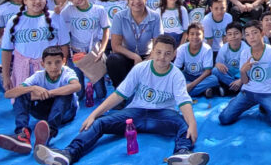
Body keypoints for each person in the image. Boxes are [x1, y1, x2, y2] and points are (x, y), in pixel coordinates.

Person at [34, 35, 210, 165]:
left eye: (167, 54)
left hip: (162, 115)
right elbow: (119, 95)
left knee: (184, 125)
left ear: (173, 55)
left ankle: (182, 154)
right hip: (135, 113)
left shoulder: (176, 75)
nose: (162, 57)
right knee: (99, 123)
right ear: (152, 51)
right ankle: (68, 153)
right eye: (158, 52)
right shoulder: (140, 69)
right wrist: (94, 114)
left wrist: (193, 124)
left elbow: (184, 102)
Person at [0, 46, 80, 154]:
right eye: (49, 63)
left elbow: (77, 86)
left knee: (65, 93)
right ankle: (22, 134)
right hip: (45, 112)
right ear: (43, 64)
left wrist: (49, 93)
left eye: (57, 62)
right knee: (21, 93)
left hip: (66, 113)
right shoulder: (38, 76)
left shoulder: (67, 72)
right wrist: (32, 88)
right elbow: (8, 94)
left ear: (63, 61)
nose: (54, 67)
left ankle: (49, 131)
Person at [218, 20, 271, 128]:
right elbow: (245, 81)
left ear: (262, 33)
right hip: (247, 92)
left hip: (267, 93)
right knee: (224, 118)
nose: (251, 37)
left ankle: (265, 106)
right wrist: (243, 71)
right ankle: (237, 102)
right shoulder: (245, 53)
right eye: (247, 34)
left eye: (254, 33)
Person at [1, 0, 70, 92]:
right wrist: (6, 77)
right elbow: (7, 50)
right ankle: (0, 73)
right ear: (25, 0)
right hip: (23, 68)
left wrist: (61, 67)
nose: (37, 1)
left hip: (50, 68)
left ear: (46, 0)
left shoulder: (55, 17)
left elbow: (64, 45)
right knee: (24, 99)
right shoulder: (14, 21)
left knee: (49, 97)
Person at [106, 0, 163, 87]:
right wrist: (135, 57)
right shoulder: (119, 17)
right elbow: (115, 46)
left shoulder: (155, 17)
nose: (137, 1)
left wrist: (147, 60)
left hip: (148, 55)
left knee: (162, 59)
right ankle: (121, 91)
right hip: (127, 55)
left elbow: (158, 45)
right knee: (113, 59)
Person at [61, 0, 110, 101]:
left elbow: (106, 30)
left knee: (100, 91)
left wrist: (102, 49)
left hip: (93, 52)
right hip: (76, 52)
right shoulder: (68, 11)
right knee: (79, 92)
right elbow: (59, 24)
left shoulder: (99, 10)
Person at [174, 23, 220, 98]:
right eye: (192, 34)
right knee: (176, 78)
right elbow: (176, 68)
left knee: (214, 79)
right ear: (188, 36)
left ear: (203, 36)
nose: (195, 37)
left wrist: (191, 85)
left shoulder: (207, 49)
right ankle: (202, 90)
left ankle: (184, 92)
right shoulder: (182, 49)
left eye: (198, 34)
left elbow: (208, 71)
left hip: (202, 77)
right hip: (187, 75)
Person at [214, 21, 249, 95]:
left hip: (241, 76)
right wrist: (218, 65)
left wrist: (240, 81)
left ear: (242, 35)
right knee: (215, 71)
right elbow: (218, 64)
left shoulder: (246, 49)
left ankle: (229, 89)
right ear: (226, 37)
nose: (233, 36)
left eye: (236, 33)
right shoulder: (223, 49)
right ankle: (236, 88)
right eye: (230, 34)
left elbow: (249, 70)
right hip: (228, 75)